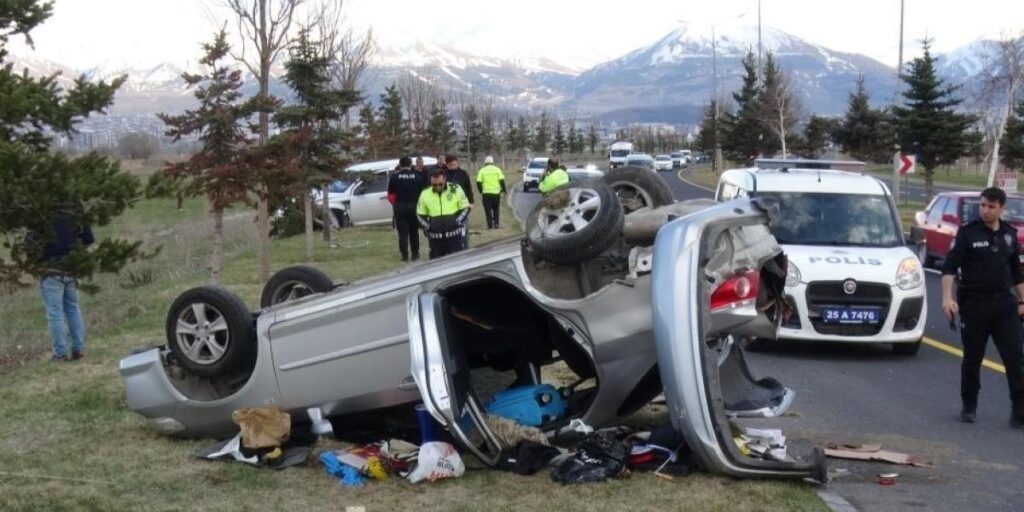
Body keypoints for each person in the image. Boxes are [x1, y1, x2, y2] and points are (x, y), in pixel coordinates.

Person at [941, 187, 1024, 428]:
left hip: (1004, 305)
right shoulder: (968, 233)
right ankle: (969, 406)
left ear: (1001, 209)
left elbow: (1016, 274)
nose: (985, 210)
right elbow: (949, 268)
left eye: (991, 207)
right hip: (974, 304)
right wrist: (948, 298)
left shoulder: (1009, 235)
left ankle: (1019, 410)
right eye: (983, 205)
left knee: (1015, 358)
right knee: (972, 358)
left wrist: (1022, 301)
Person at [34, 211, 95, 362]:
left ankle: (60, 353)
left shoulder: (40, 212)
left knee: (55, 312)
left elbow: (30, 242)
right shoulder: (74, 210)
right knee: (73, 308)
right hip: (72, 266)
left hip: (50, 268)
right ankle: (78, 349)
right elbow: (89, 238)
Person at [417, 167, 470, 259]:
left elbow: (465, 207)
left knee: (458, 263)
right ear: (430, 181)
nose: (438, 187)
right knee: (437, 268)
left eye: (440, 184)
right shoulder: (425, 194)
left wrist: (456, 221)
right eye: (434, 185)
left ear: (445, 179)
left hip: (454, 237)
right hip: (435, 239)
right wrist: (428, 226)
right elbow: (420, 215)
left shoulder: (455, 189)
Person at [387, 156, 426, 262]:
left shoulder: (394, 177)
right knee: (414, 232)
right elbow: (422, 194)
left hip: (400, 207)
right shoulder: (417, 176)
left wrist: (395, 204)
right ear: (410, 165)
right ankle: (415, 254)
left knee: (403, 233)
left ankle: (404, 255)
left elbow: (390, 194)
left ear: (400, 165)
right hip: (414, 207)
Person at [444, 155, 474, 248]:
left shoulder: (463, 173)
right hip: (448, 206)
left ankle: (465, 246)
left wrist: (471, 202)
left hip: (462, 205)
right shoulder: (444, 174)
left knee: (463, 227)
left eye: (454, 164)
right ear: (447, 165)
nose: (453, 167)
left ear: (457, 163)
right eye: (450, 165)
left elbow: (468, 188)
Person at [476, 155, 506, 229]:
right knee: (496, 209)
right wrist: (504, 190)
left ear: (485, 162)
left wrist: (480, 190)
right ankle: (496, 224)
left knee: (487, 210)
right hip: (496, 193)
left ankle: (490, 225)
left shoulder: (482, 170)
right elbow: (502, 181)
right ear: (492, 162)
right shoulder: (497, 169)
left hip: (486, 193)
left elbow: (478, 182)